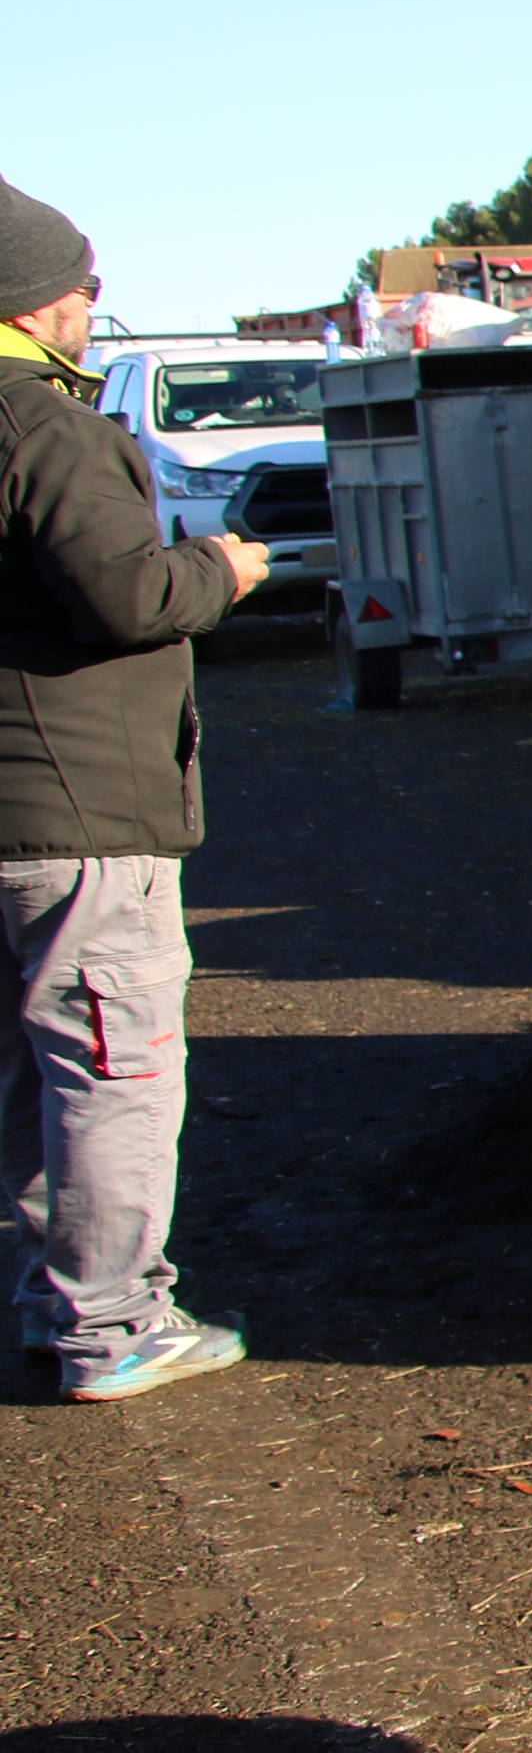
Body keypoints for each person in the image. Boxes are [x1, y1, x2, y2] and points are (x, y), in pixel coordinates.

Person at [0, 177, 269, 1399]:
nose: (89, 309)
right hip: (77, 804)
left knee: (35, 1062)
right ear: (42, 299)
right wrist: (218, 566)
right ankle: (110, 1321)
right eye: (84, 288)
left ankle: (44, 1298)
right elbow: (126, 595)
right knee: (113, 1061)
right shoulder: (43, 426)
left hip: (21, 812)